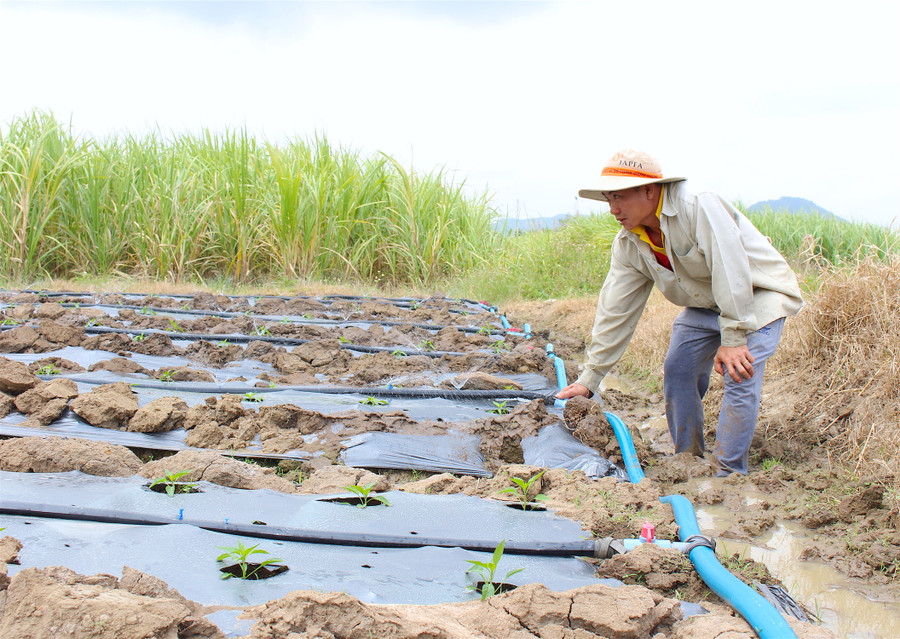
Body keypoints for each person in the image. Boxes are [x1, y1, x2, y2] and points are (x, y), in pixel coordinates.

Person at [556, 149, 803, 476]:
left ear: (649, 190)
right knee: (678, 368)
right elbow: (616, 310)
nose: (613, 209)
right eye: (608, 199)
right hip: (706, 304)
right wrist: (589, 379)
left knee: (739, 371)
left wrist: (733, 338)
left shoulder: (697, 207)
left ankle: (728, 474)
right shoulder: (630, 243)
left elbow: (731, 268)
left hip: (757, 295)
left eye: (619, 197)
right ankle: (687, 459)